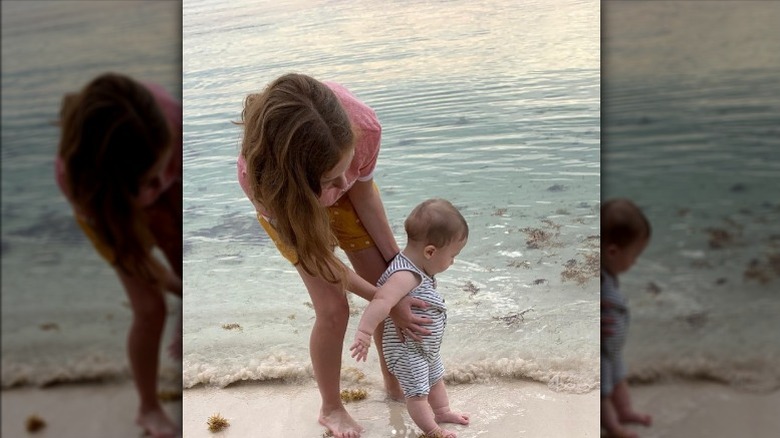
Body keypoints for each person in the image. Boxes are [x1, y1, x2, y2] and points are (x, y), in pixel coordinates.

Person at [236, 73, 431, 438]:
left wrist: (397, 270)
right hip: (292, 206)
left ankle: (396, 385)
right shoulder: (261, 181)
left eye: (345, 170)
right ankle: (331, 407)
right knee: (333, 309)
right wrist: (384, 299)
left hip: (318, 175)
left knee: (387, 280)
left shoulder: (364, 128)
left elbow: (361, 194)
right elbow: (320, 261)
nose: (342, 186)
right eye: (330, 180)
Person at [55, 73, 182, 438]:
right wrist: (179, 291)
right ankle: (148, 408)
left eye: (160, 173)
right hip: (112, 206)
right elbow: (140, 262)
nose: (157, 186)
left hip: (166, 176)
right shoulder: (79, 182)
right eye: (149, 182)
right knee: (150, 309)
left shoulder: (172, 124)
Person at [350, 198, 471, 438]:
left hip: (424, 348)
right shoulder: (405, 274)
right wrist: (364, 332)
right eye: (452, 256)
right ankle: (432, 430)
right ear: (430, 252)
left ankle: (442, 412)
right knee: (417, 394)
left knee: (435, 379)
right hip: (407, 350)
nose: (453, 262)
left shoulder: (418, 269)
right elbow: (381, 300)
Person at [601, 198, 653, 438]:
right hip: (600, 349)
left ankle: (624, 411)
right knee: (603, 390)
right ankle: (613, 428)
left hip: (612, 349)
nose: (636, 261)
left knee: (618, 379)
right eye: (635, 255)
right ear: (613, 252)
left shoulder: (608, 274)